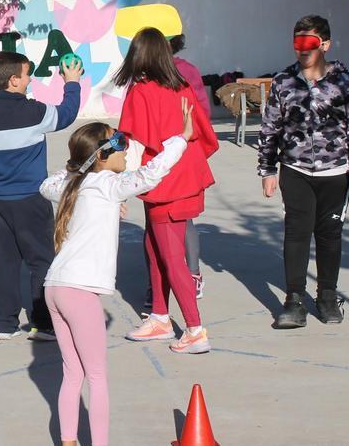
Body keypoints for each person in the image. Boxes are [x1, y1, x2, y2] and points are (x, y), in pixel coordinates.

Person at [40, 111, 192, 446]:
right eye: (121, 142)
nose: (127, 149)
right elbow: (152, 175)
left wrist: (76, 170)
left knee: (72, 372)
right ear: (102, 155)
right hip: (79, 292)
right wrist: (181, 138)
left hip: (55, 287)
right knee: (96, 376)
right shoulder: (109, 184)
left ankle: (68, 441)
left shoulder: (71, 185)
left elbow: (46, 185)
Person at [258, 14, 349, 328]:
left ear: (324, 44)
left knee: (329, 234)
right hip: (294, 169)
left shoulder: (344, 82)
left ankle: (327, 295)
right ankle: (294, 300)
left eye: (309, 42)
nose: (302, 49)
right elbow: (270, 128)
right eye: (297, 42)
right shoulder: (283, 81)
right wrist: (267, 169)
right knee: (296, 233)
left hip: (335, 172)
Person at [0, 51, 84, 340]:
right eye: (28, 75)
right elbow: (67, 113)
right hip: (31, 198)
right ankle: (42, 323)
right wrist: (73, 82)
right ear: (14, 80)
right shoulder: (35, 112)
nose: (31, 80)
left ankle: (5, 324)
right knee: (41, 260)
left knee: (4, 261)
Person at [116, 27, 218, 354]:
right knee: (154, 246)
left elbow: (132, 143)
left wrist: (120, 189)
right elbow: (204, 135)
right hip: (187, 176)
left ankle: (194, 329)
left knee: (172, 256)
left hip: (162, 182)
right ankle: (160, 316)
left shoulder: (141, 90)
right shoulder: (182, 85)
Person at [167, 33, 210, 301]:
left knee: (183, 217)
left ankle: (192, 273)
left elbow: (201, 114)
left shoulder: (186, 71)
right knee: (160, 219)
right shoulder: (143, 74)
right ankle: (163, 278)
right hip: (159, 154)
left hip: (181, 153)